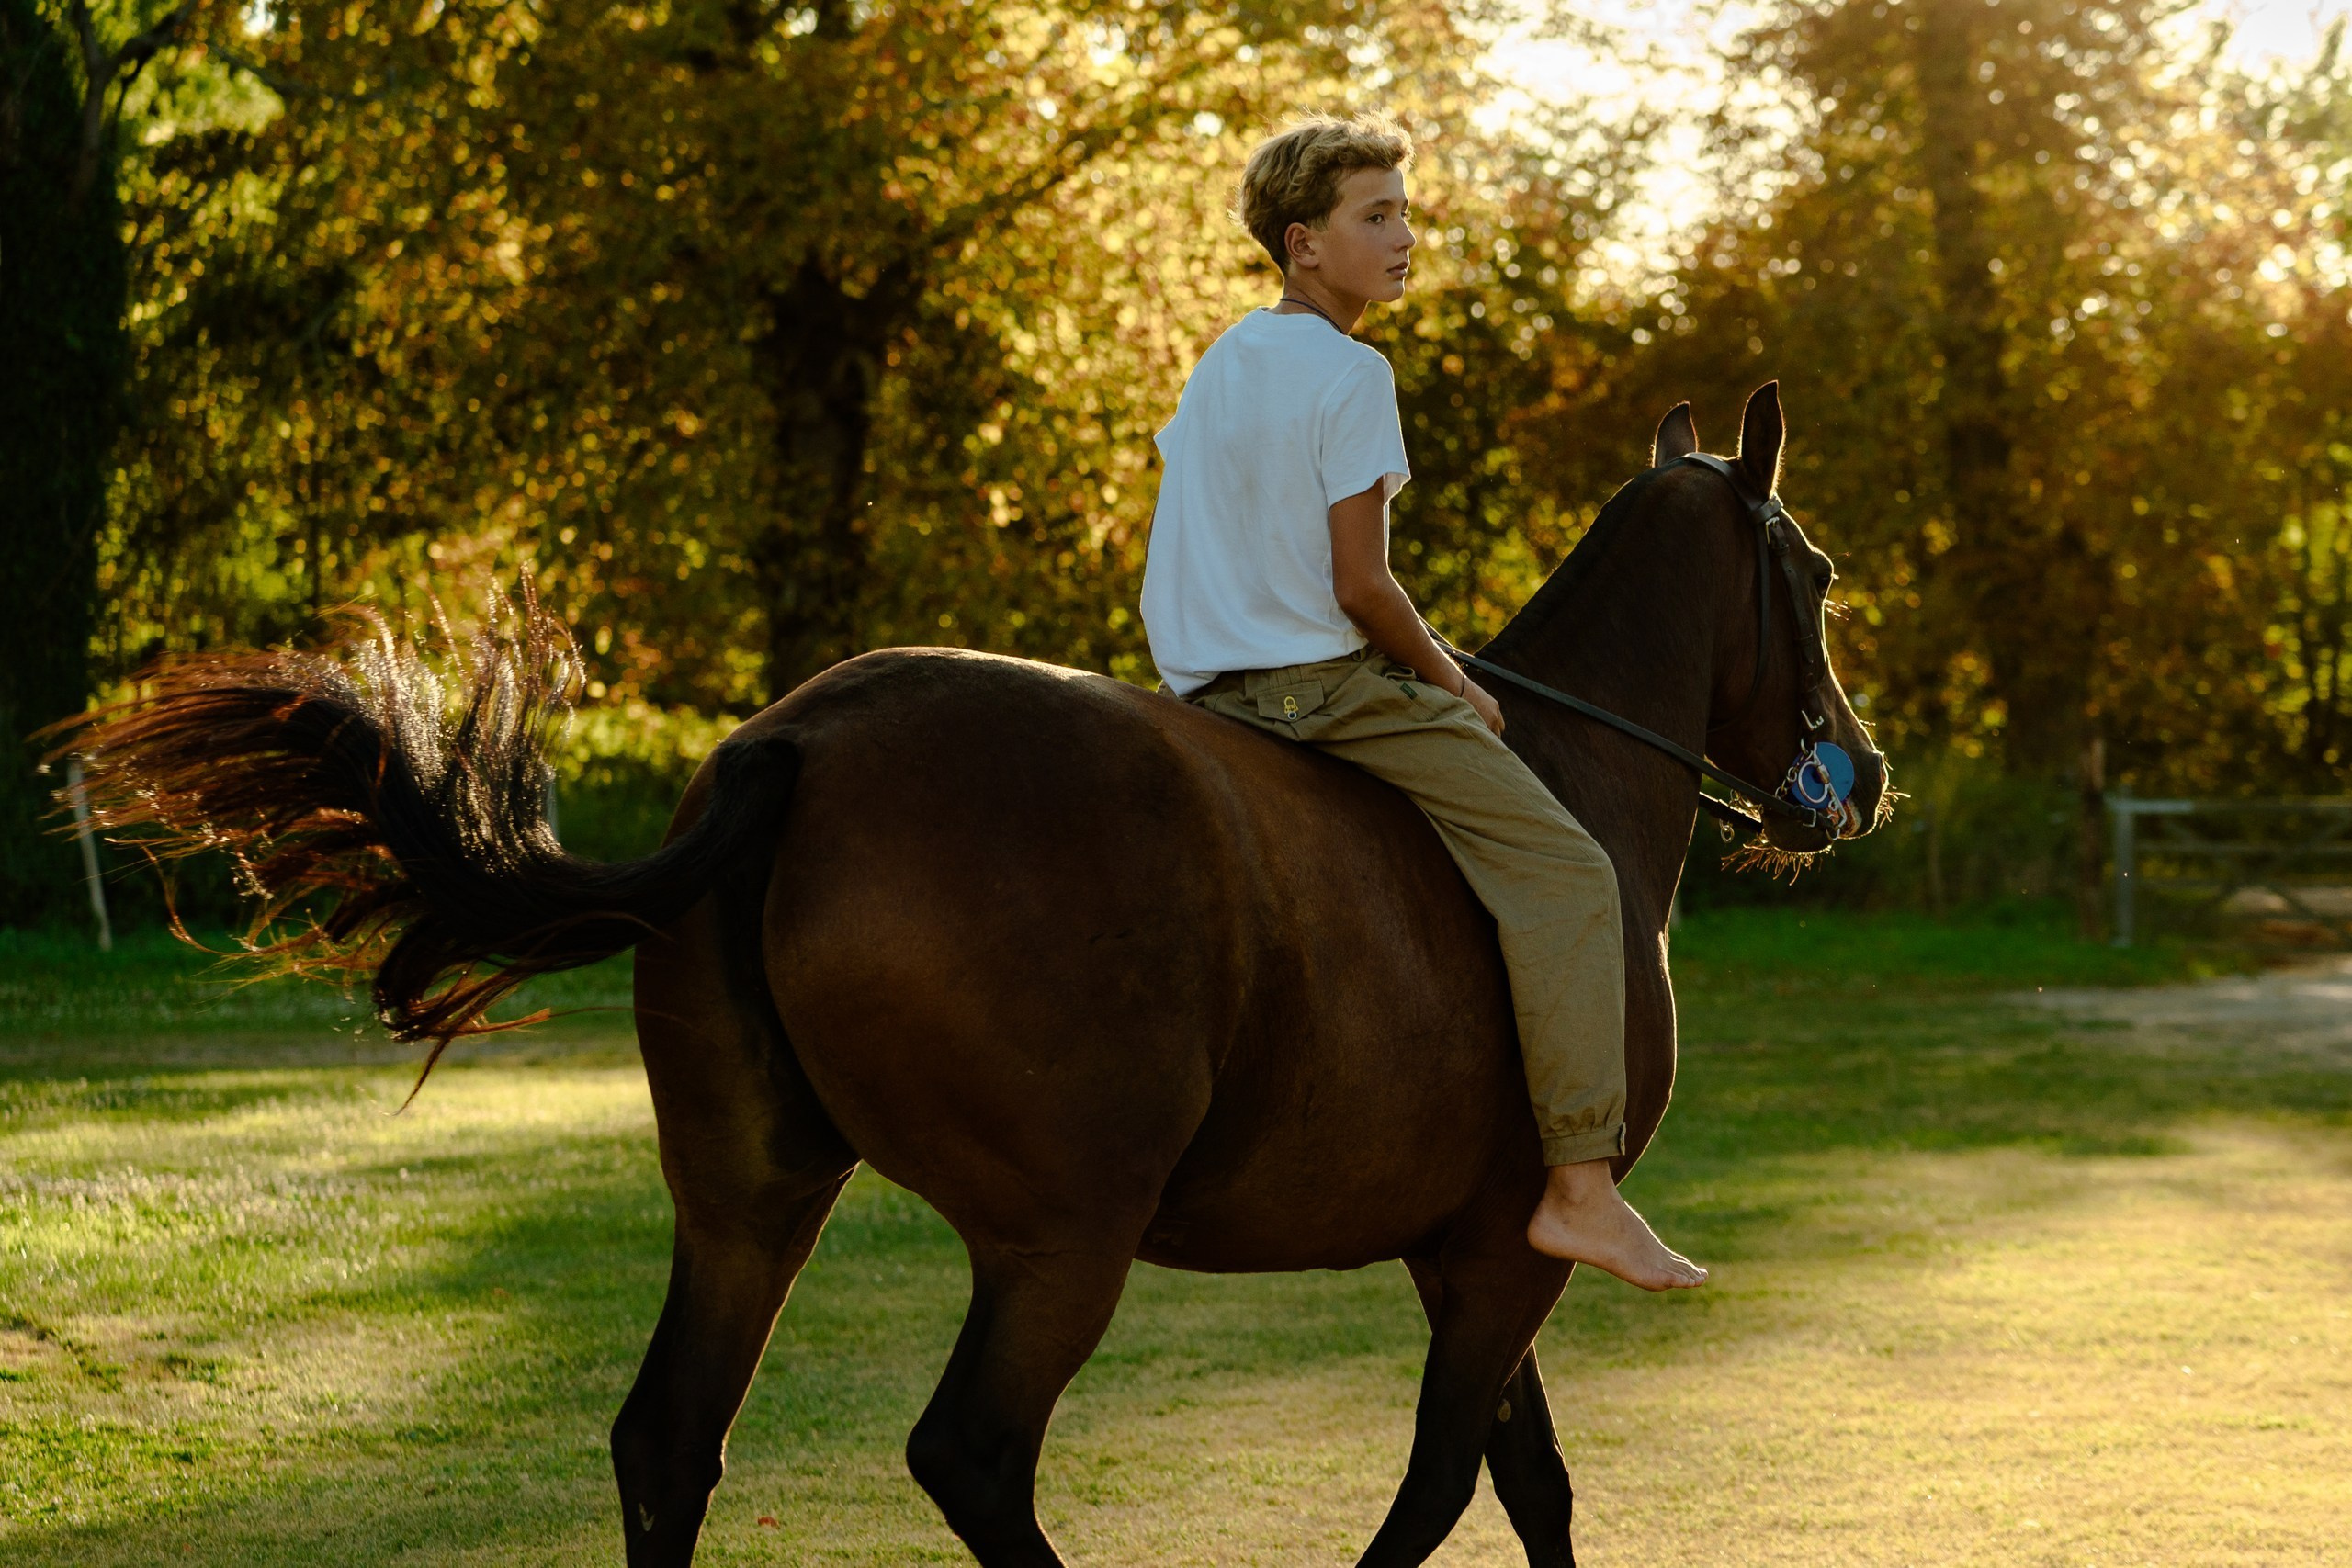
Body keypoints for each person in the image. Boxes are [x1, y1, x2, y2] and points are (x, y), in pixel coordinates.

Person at [1138, 113, 1705, 1292]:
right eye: (1375, 216)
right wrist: (1453, 679)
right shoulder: (1352, 372)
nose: (1404, 236)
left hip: (1200, 696)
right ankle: (1581, 1189)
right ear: (1303, 245)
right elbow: (1359, 585)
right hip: (1320, 695)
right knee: (1567, 873)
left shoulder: (1224, 358)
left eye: (1404, 211)